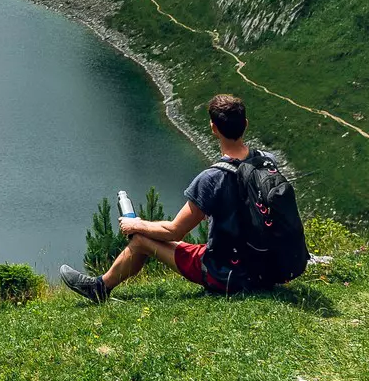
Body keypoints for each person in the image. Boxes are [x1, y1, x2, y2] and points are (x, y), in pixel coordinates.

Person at [59, 93, 292, 301]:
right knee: (158, 237)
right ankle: (101, 285)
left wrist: (136, 224)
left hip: (226, 273)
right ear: (246, 125)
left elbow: (175, 231)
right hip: (267, 268)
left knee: (140, 240)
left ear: (214, 129)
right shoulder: (267, 161)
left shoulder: (212, 178)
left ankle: (99, 288)